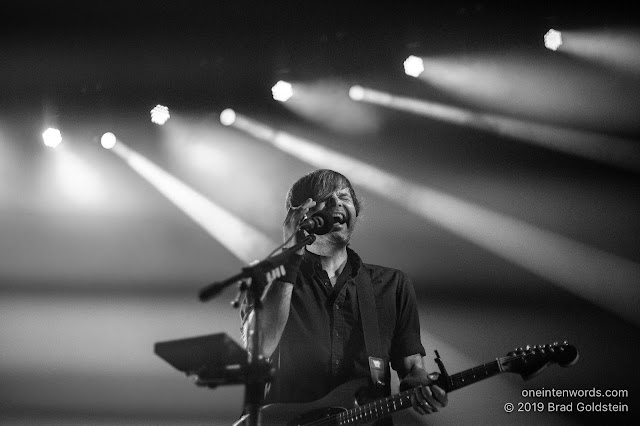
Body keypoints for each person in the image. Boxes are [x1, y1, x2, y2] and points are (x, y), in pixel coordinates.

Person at [240, 169, 447, 425]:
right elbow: (257, 349)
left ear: (355, 211)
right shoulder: (267, 281)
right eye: (325, 199)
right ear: (301, 216)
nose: (337, 203)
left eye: (344, 197)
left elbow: (413, 367)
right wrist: (290, 256)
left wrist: (421, 385)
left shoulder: (392, 284)